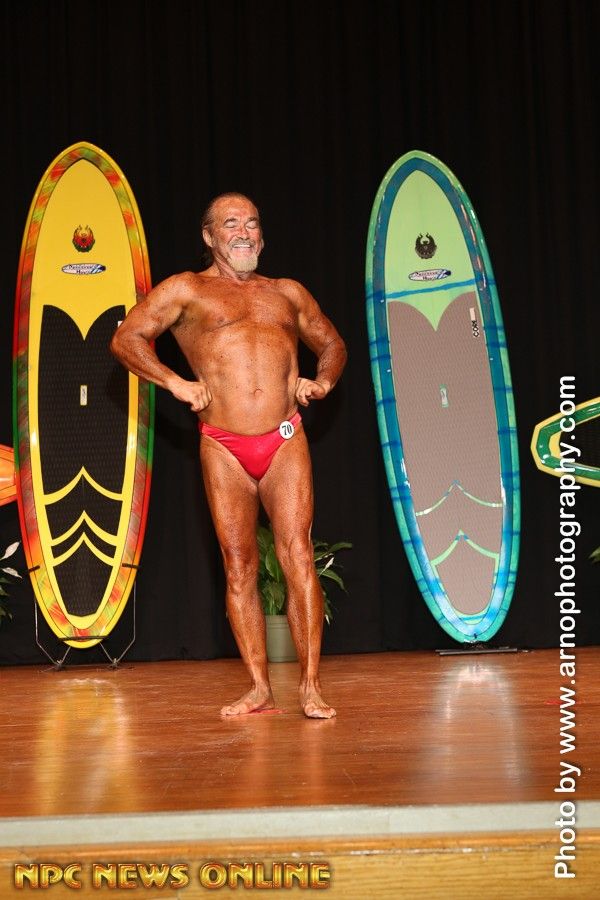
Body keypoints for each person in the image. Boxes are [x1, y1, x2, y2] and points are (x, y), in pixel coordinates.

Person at [110, 193, 347, 719]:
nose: (244, 232)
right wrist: (174, 382)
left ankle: (310, 686)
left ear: (262, 235)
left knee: (298, 555)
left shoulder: (286, 292)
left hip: (285, 438)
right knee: (238, 565)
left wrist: (324, 381)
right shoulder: (186, 289)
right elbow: (126, 338)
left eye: (252, 224)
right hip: (223, 445)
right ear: (209, 236)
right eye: (231, 224)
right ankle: (260, 687)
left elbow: (332, 343)